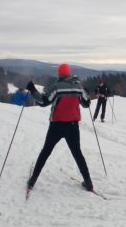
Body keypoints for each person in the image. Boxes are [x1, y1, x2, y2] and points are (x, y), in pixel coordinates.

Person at [25, 63, 93, 193]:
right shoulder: (79, 86)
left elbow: (44, 102)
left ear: (60, 74)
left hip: (56, 125)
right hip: (73, 126)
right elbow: (86, 104)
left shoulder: (56, 87)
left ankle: (33, 180)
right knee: (77, 154)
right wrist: (87, 93)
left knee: (45, 152)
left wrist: (33, 90)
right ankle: (88, 182)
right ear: (69, 73)